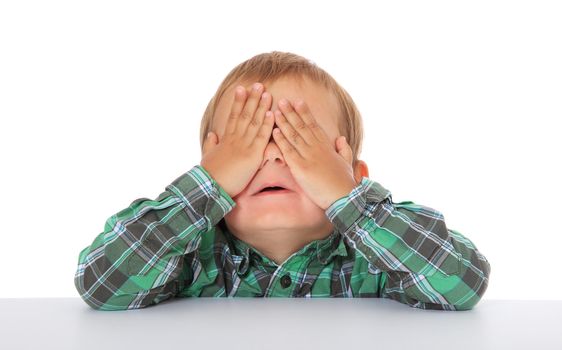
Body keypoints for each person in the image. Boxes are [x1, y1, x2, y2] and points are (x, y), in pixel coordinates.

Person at [74, 51, 491, 311]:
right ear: (211, 170)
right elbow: (100, 284)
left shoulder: (378, 260)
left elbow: (462, 283)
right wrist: (210, 183)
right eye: (246, 143)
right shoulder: (190, 257)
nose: (271, 153)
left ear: (353, 176)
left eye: (297, 139)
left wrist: (348, 198)